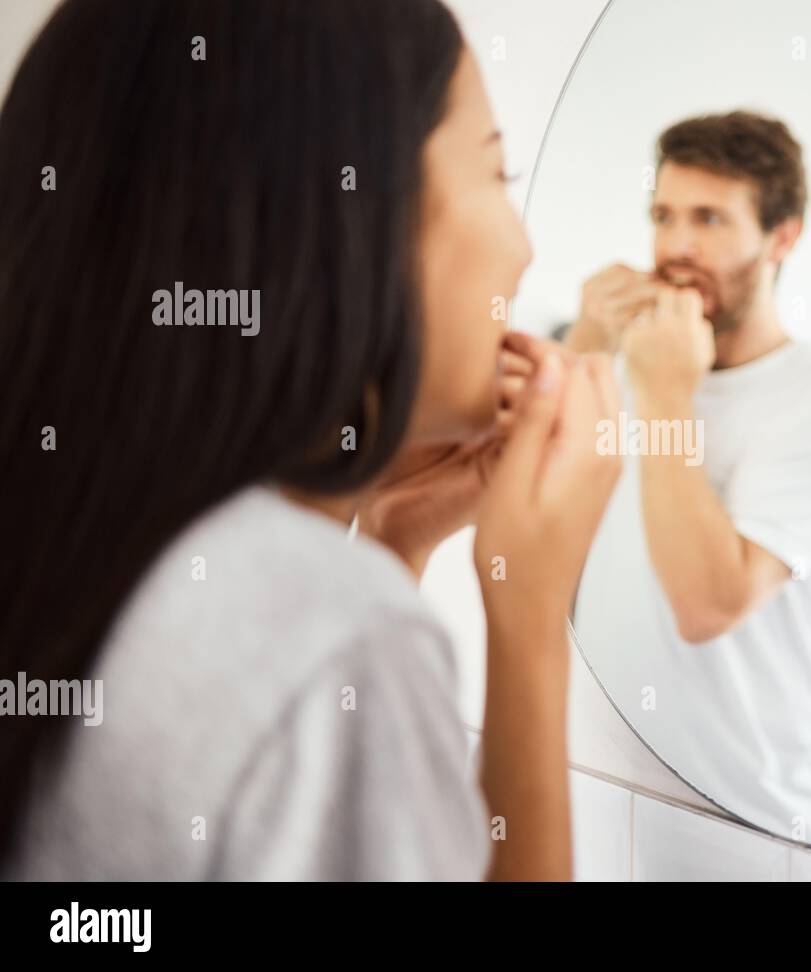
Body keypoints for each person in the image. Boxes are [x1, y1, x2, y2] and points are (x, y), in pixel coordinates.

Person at [0, 0, 620, 880]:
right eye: (497, 174)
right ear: (352, 217)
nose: (523, 249)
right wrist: (530, 626)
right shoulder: (335, 630)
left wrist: (389, 544)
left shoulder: (68, 528)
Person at [568, 112, 811, 845]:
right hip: (605, 806)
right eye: (663, 216)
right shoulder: (629, 364)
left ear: (782, 237)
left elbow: (706, 604)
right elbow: (537, 528)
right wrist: (585, 348)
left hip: (753, 828)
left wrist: (667, 396)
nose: (676, 246)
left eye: (709, 218)